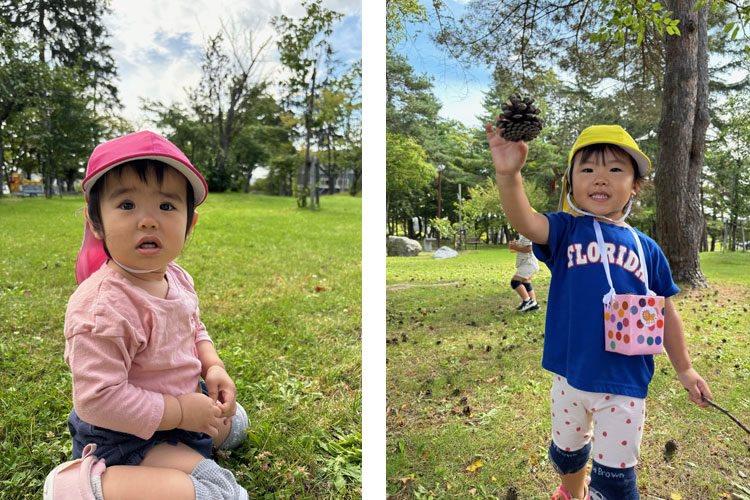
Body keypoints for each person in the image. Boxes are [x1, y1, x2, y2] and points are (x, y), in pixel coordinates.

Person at [485, 123, 712, 500]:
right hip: (570, 378)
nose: (600, 178)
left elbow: (666, 311)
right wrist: (509, 175)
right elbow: (525, 220)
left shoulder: (647, 249)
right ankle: (572, 493)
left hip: (625, 385)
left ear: (635, 186)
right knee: (568, 455)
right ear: (572, 184)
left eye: (615, 170)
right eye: (587, 170)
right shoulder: (565, 232)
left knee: (616, 482)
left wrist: (685, 368)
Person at [44, 131, 249, 500]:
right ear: (96, 223)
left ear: (191, 223)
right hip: (123, 437)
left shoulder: (178, 277)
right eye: (126, 205)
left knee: (235, 426)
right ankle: (82, 486)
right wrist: (180, 411)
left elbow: (194, 327)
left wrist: (213, 367)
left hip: (180, 415)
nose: (148, 221)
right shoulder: (102, 306)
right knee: (219, 492)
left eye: (167, 207)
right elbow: (97, 399)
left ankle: (193, 443)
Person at [509, 232, 540, 311]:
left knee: (515, 282)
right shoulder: (523, 234)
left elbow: (529, 248)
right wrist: (516, 246)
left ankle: (527, 301)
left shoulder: (527, 234)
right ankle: (534, 304)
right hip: (527, 263)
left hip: (529, 263)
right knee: (526, 283)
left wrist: (516, 248)